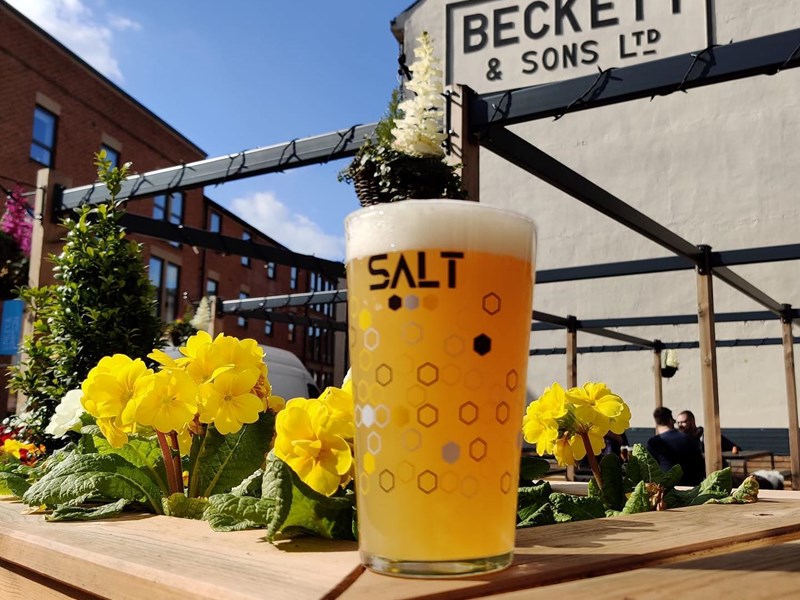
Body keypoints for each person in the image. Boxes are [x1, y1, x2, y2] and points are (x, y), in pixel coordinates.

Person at [646, 407, 706, 486]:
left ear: (657, 422)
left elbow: (649, 470)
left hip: (666, 490)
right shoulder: (690, 439)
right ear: (671, 421)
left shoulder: (653, 443)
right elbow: (701, 466)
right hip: (691, 488)